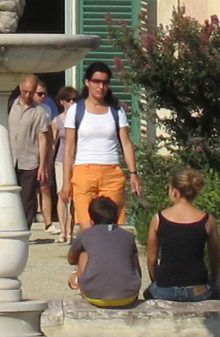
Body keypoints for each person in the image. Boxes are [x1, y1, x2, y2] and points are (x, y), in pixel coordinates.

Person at [56, 62, 139, 257]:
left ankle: (109, 266)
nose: (100, 87)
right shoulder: (76, 110)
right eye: (96, 82)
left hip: (111, 171)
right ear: (87, 83)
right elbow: (69, 148)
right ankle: (89, 269)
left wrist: (134, 173)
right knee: (87, 228)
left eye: (105, 82)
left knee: (112, 228)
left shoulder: (116, 111)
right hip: (84, 171)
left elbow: (126, 143)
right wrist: (66, 182)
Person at [144, 168, 220, 302]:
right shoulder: (208, 220)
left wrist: (156, 281)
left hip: (165, 288)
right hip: (198, 290)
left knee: (147, 293)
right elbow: (214, 259)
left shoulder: (158, 219)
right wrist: (213, 282)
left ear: (174, 191)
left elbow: (151, 259)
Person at [68, 197, 142, 307]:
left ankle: (82, 288)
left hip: (95, 296)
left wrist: (76, 272)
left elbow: (71, 259)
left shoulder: (86, 235)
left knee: (84, 253)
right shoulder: (128, 236)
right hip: (128, 297)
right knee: (131, 253)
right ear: (117, 218)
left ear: (92, 221)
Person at [8, 74, 52, 229]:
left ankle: (24, 229)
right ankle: (9, 227)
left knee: (27, 198)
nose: (27, 95)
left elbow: (42, 139)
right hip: (9, 159)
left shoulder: (39, 112)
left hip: (29, 160)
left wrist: (42, 165)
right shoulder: (10, 105)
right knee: (8, 197)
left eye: (31, 92)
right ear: (20, 88)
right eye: (25, 91)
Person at [37, 83, 80, 239]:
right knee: (62, 194)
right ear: (62, 102)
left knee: (76, 196)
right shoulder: (57, 121)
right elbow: (52, 144)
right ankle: (63, 230)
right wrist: (48, 164)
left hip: (79, 161)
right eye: (68, 100)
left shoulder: (81, 120)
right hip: (61, 160)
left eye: (74, 100)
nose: (72, 103)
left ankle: (71, 229)